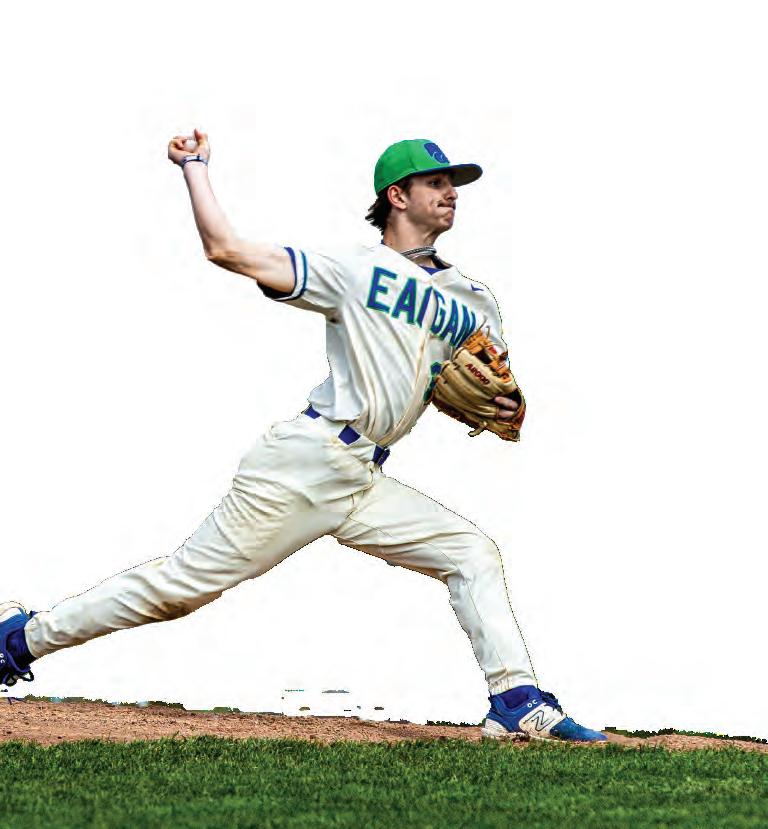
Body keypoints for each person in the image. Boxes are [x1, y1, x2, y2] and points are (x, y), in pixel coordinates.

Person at [0, 131, 607, 742]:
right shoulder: (353, 269)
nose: (451, 192)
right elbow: (225, 249)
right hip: (304, 463)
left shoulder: (473, 301)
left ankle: (515, 700)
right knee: (179, 589)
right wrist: (195, 168)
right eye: (436, 182)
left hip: (362, 478)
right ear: (397, 196)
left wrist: (501, 406)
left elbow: (482, 391)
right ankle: (20, 638)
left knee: (472, 554)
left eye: (453, 184)